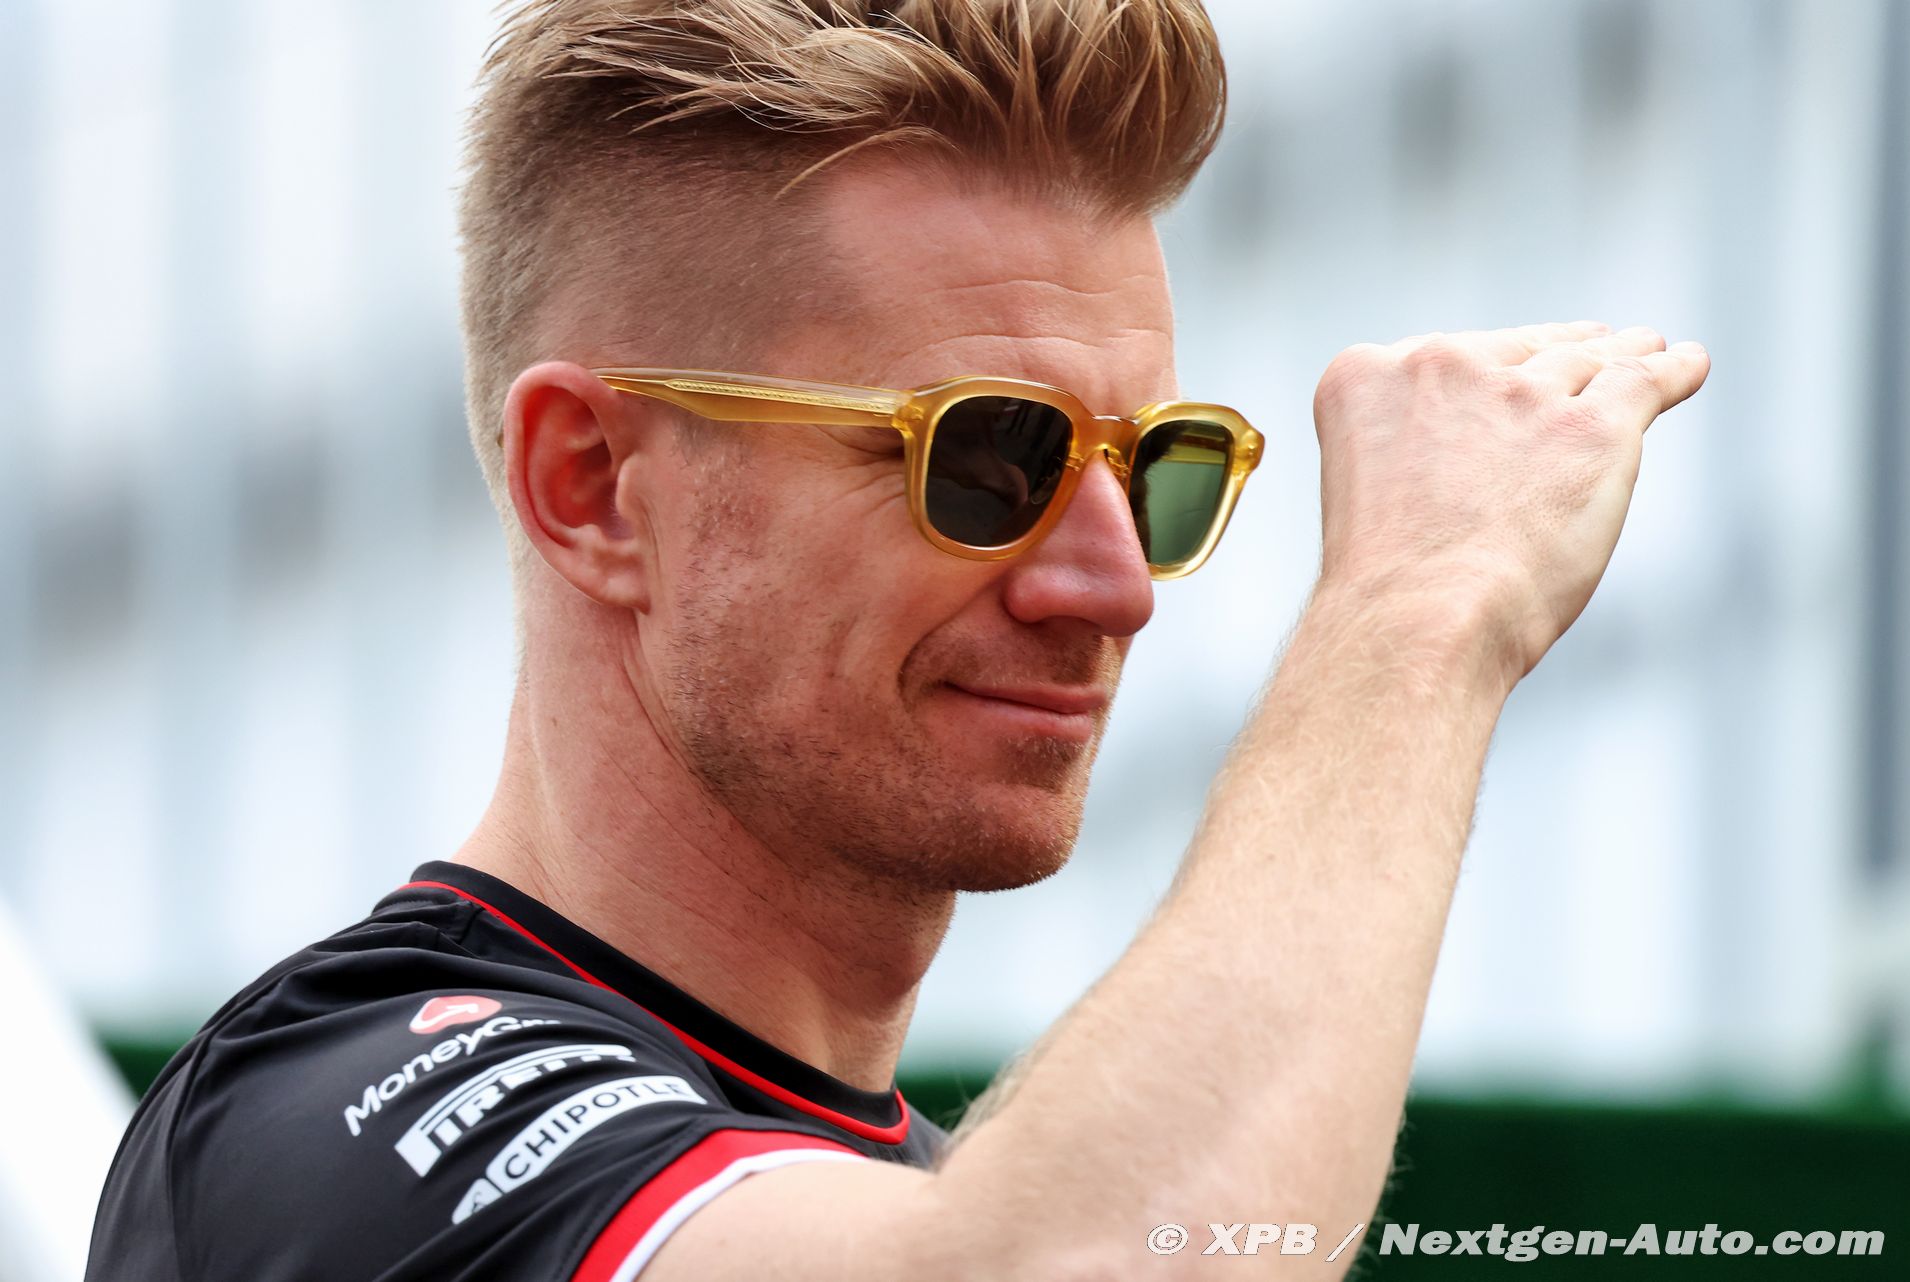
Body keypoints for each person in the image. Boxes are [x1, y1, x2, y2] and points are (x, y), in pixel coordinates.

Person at [85, 1, 1710, 1279]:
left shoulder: (901, 1207)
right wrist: (1418, 609)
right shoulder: (336, 1122)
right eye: (990, 456)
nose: (1114, 585)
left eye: (1156, 467)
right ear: (590, 485)